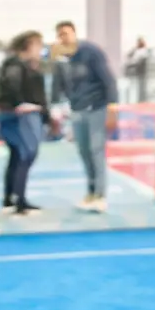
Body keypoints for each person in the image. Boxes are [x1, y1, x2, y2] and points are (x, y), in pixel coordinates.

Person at [50, 21, 119, 212]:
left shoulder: (91, 52)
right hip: (77, 110)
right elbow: (58, 85)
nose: (64, 37)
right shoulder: (62, 58)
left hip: (97, 107)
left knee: (97, 150)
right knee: (84, 151)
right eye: (60, 34)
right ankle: (90, 192)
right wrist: (55, 106)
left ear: (74, 33)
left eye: (66, 33)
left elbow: (108, 80)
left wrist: (112, 108)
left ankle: (100, 195)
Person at [0, 30, 53, 217]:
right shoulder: (16, 65)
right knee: (24, 155)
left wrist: (46, 116)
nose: (41, 50)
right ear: (29, 45)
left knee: (18, 156)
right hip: (21, 116)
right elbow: (13, 85)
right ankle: (18, 199)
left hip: (19, 113)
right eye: (38, 45)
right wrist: (20, 104)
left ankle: (11, 198)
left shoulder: (26, 66)